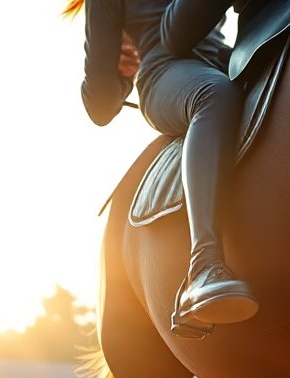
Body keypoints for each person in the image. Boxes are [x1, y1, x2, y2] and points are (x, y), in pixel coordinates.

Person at [67, 0, 256, 338]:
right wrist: (121, 73)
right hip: (165, 72)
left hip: (227, 57)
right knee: (213, 95)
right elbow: (99, 104)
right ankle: (203, 263)